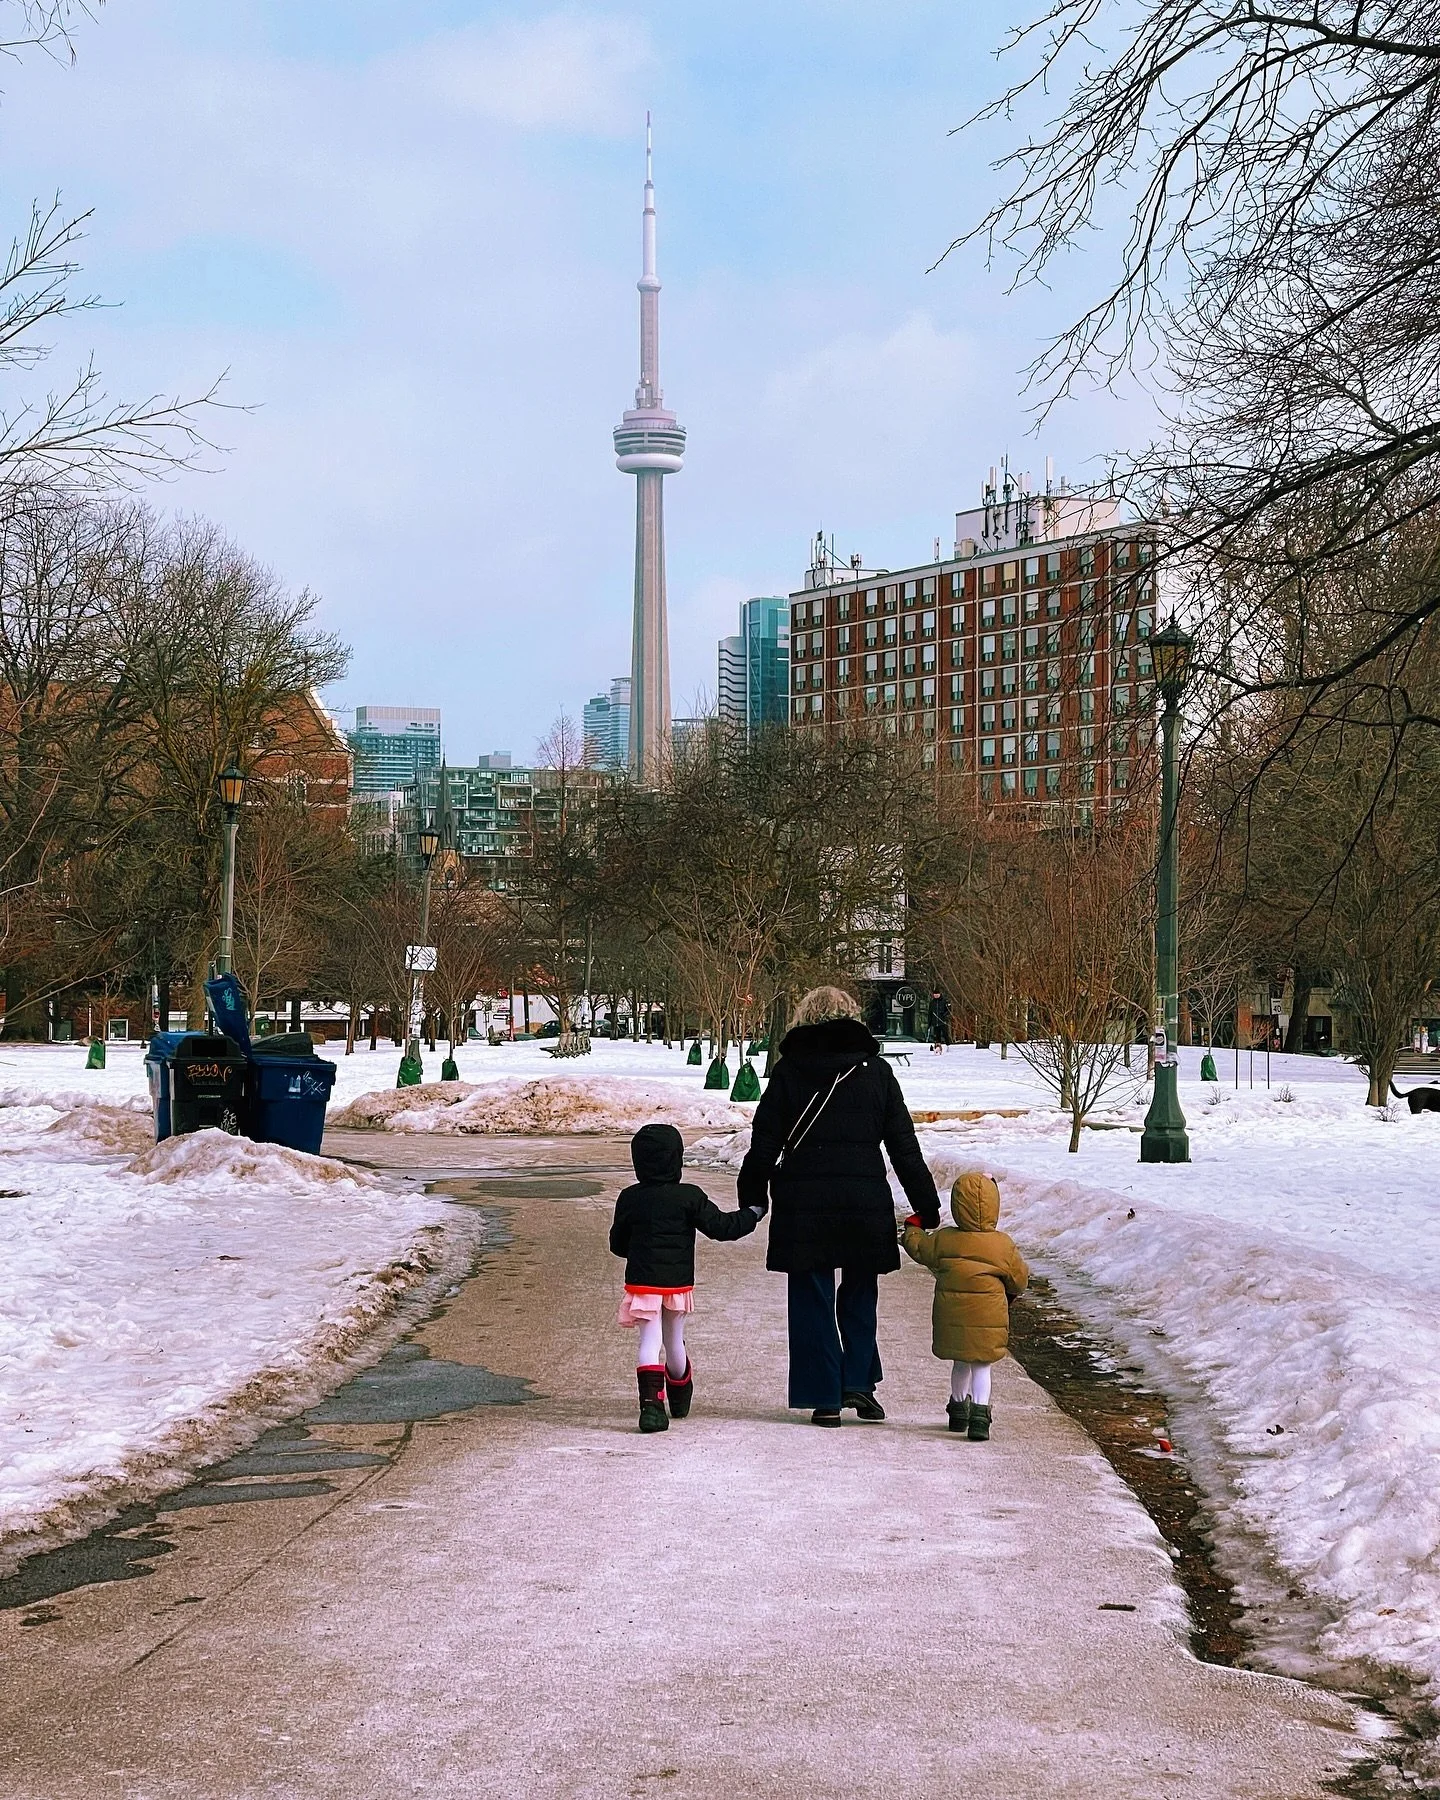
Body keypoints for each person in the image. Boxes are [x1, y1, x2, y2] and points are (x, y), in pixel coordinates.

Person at [738, 986, 940, 1427]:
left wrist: (752, 1197)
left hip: (803, 1202)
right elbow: (904, 1148)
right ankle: (858, 1385)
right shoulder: (877, 1073)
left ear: (804, 1019)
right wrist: (927, 1206)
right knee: (861, 1291)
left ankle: (824, 1395)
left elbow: (764, 1144)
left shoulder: (789, 1071)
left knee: (811, 1294)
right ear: (852, 1018)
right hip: (862, 1201)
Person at [609, 1122, 763, 1434]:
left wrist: (639, 1251)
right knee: (673, 1339)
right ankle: (679, 1394)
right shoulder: (689, 1197)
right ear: (677, 1159)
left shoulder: (629, 1197)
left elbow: (617, 1243)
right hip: (677, 1283)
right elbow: (722, 1228)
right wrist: (752, 1214)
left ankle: (652, 1407)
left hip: (642, 1282)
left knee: (649, 1341)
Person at [901, 1169, 1029, 1442]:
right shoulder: (1002, 1245)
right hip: (989, 1318)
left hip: (953, 1315)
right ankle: (980, 1417)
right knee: (982, 1366)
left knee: (960, 1362)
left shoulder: (945, 1239)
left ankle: (958, 1410)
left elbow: (919, 1248)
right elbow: (1019, 1280)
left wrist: (912, 1228)